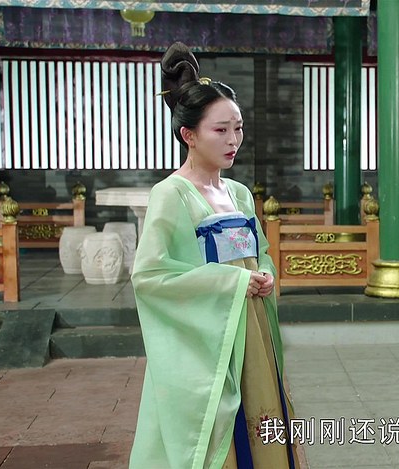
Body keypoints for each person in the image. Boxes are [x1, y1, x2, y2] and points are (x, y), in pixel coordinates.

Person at [129, 42, 305, 469]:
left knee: (262, 417)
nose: (233, 140)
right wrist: (234, 281)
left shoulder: (239, 194)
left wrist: (265, 274)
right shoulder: (171, 195)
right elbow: (150, 275)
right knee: (217, 435)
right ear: (189, 135)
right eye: (220, 130)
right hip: (211, 337)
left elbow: (261, 253)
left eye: (238, 128)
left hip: (252, 330)